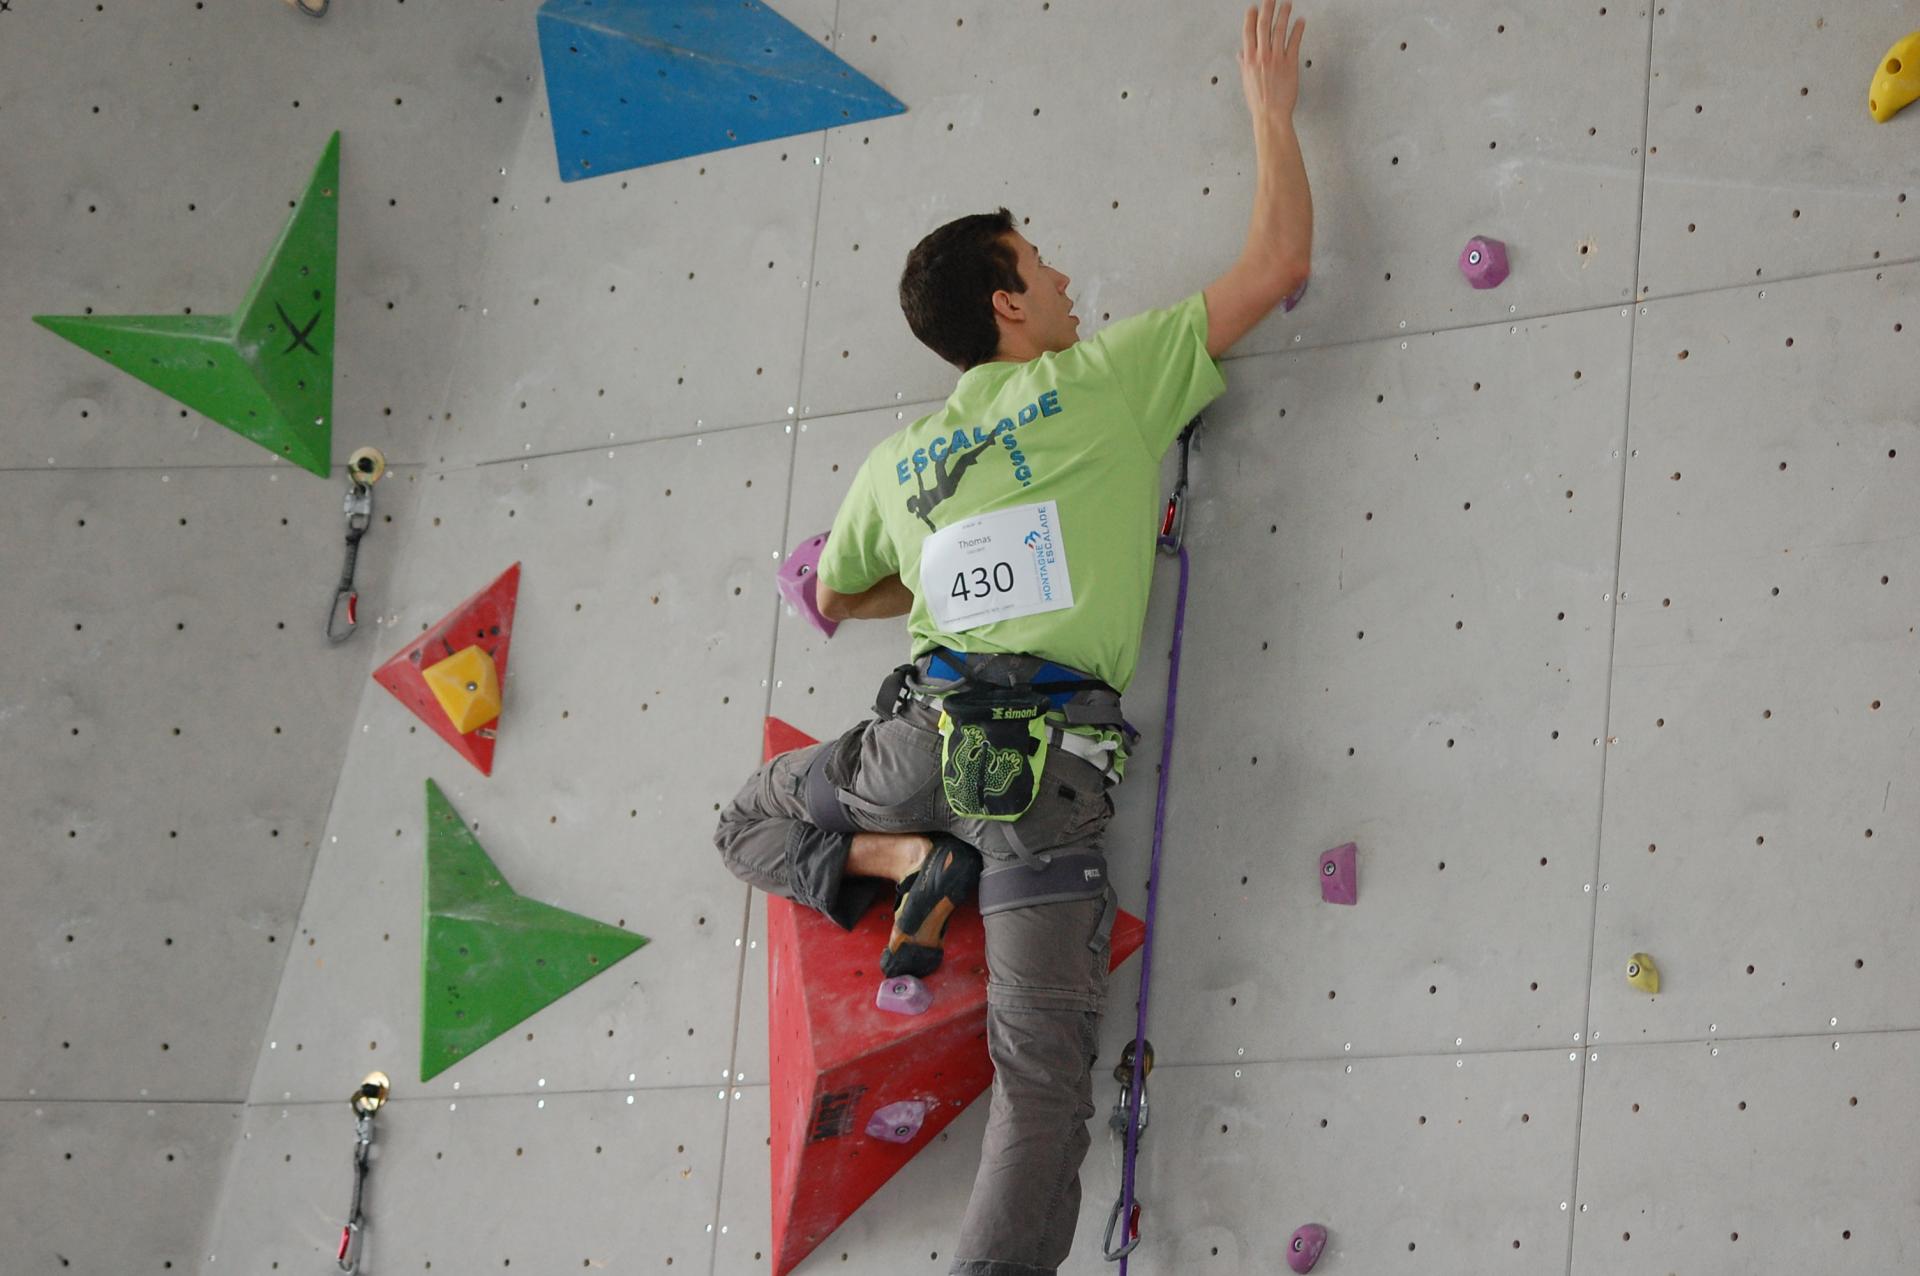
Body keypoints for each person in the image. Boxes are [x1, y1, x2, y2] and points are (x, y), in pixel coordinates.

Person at [713, 3, 1313, 1270]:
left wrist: (849, 576)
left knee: (744, 822)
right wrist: (1272, 111)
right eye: (1043, 267)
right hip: (1045, 783)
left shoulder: (898, 462)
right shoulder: (1100, 382)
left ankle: (903, 858)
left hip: (914, 751)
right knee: (1038, 1088)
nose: (1066, 281)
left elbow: (845, 595)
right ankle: (925, 863)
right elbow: (1275, 264)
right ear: (1009, 304)